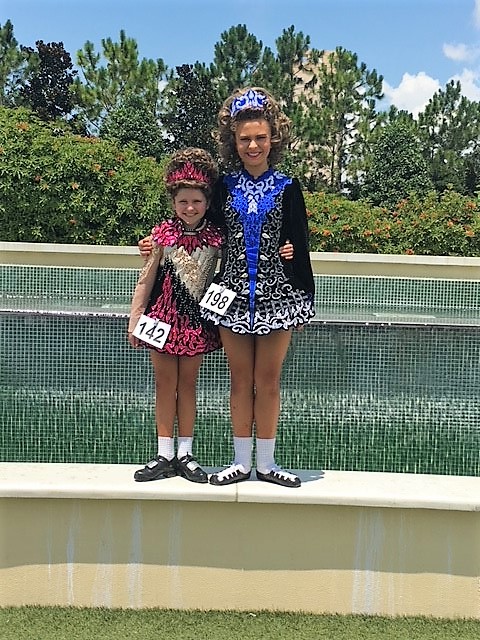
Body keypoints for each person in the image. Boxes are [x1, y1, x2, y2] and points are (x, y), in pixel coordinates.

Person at [201, 86, 315, 488]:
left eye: (260, 137)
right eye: (245, 138)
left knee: (267, 383)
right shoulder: (223, 187)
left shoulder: (288, 187)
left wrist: (301, 286)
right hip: (230, 297)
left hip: (277, 297)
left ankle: (265, 464)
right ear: (233, 141)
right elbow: (203, 233)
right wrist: (159, 243)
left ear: (273, 139)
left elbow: (300, 241)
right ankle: (239, 462)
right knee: (239, 381)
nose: (253, 145)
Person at [128, 148, 223, 484]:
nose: (190, 208)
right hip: (161, 319)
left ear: (207, 203)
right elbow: (146, 279)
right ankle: (163, 453)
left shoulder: (217, 239)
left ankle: (185, 453)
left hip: (196, 320)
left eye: (196, 201)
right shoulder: (160, 237)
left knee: (188, 385)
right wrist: (135, 318)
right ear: (173, 203)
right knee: (164, 384)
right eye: (183, 201)